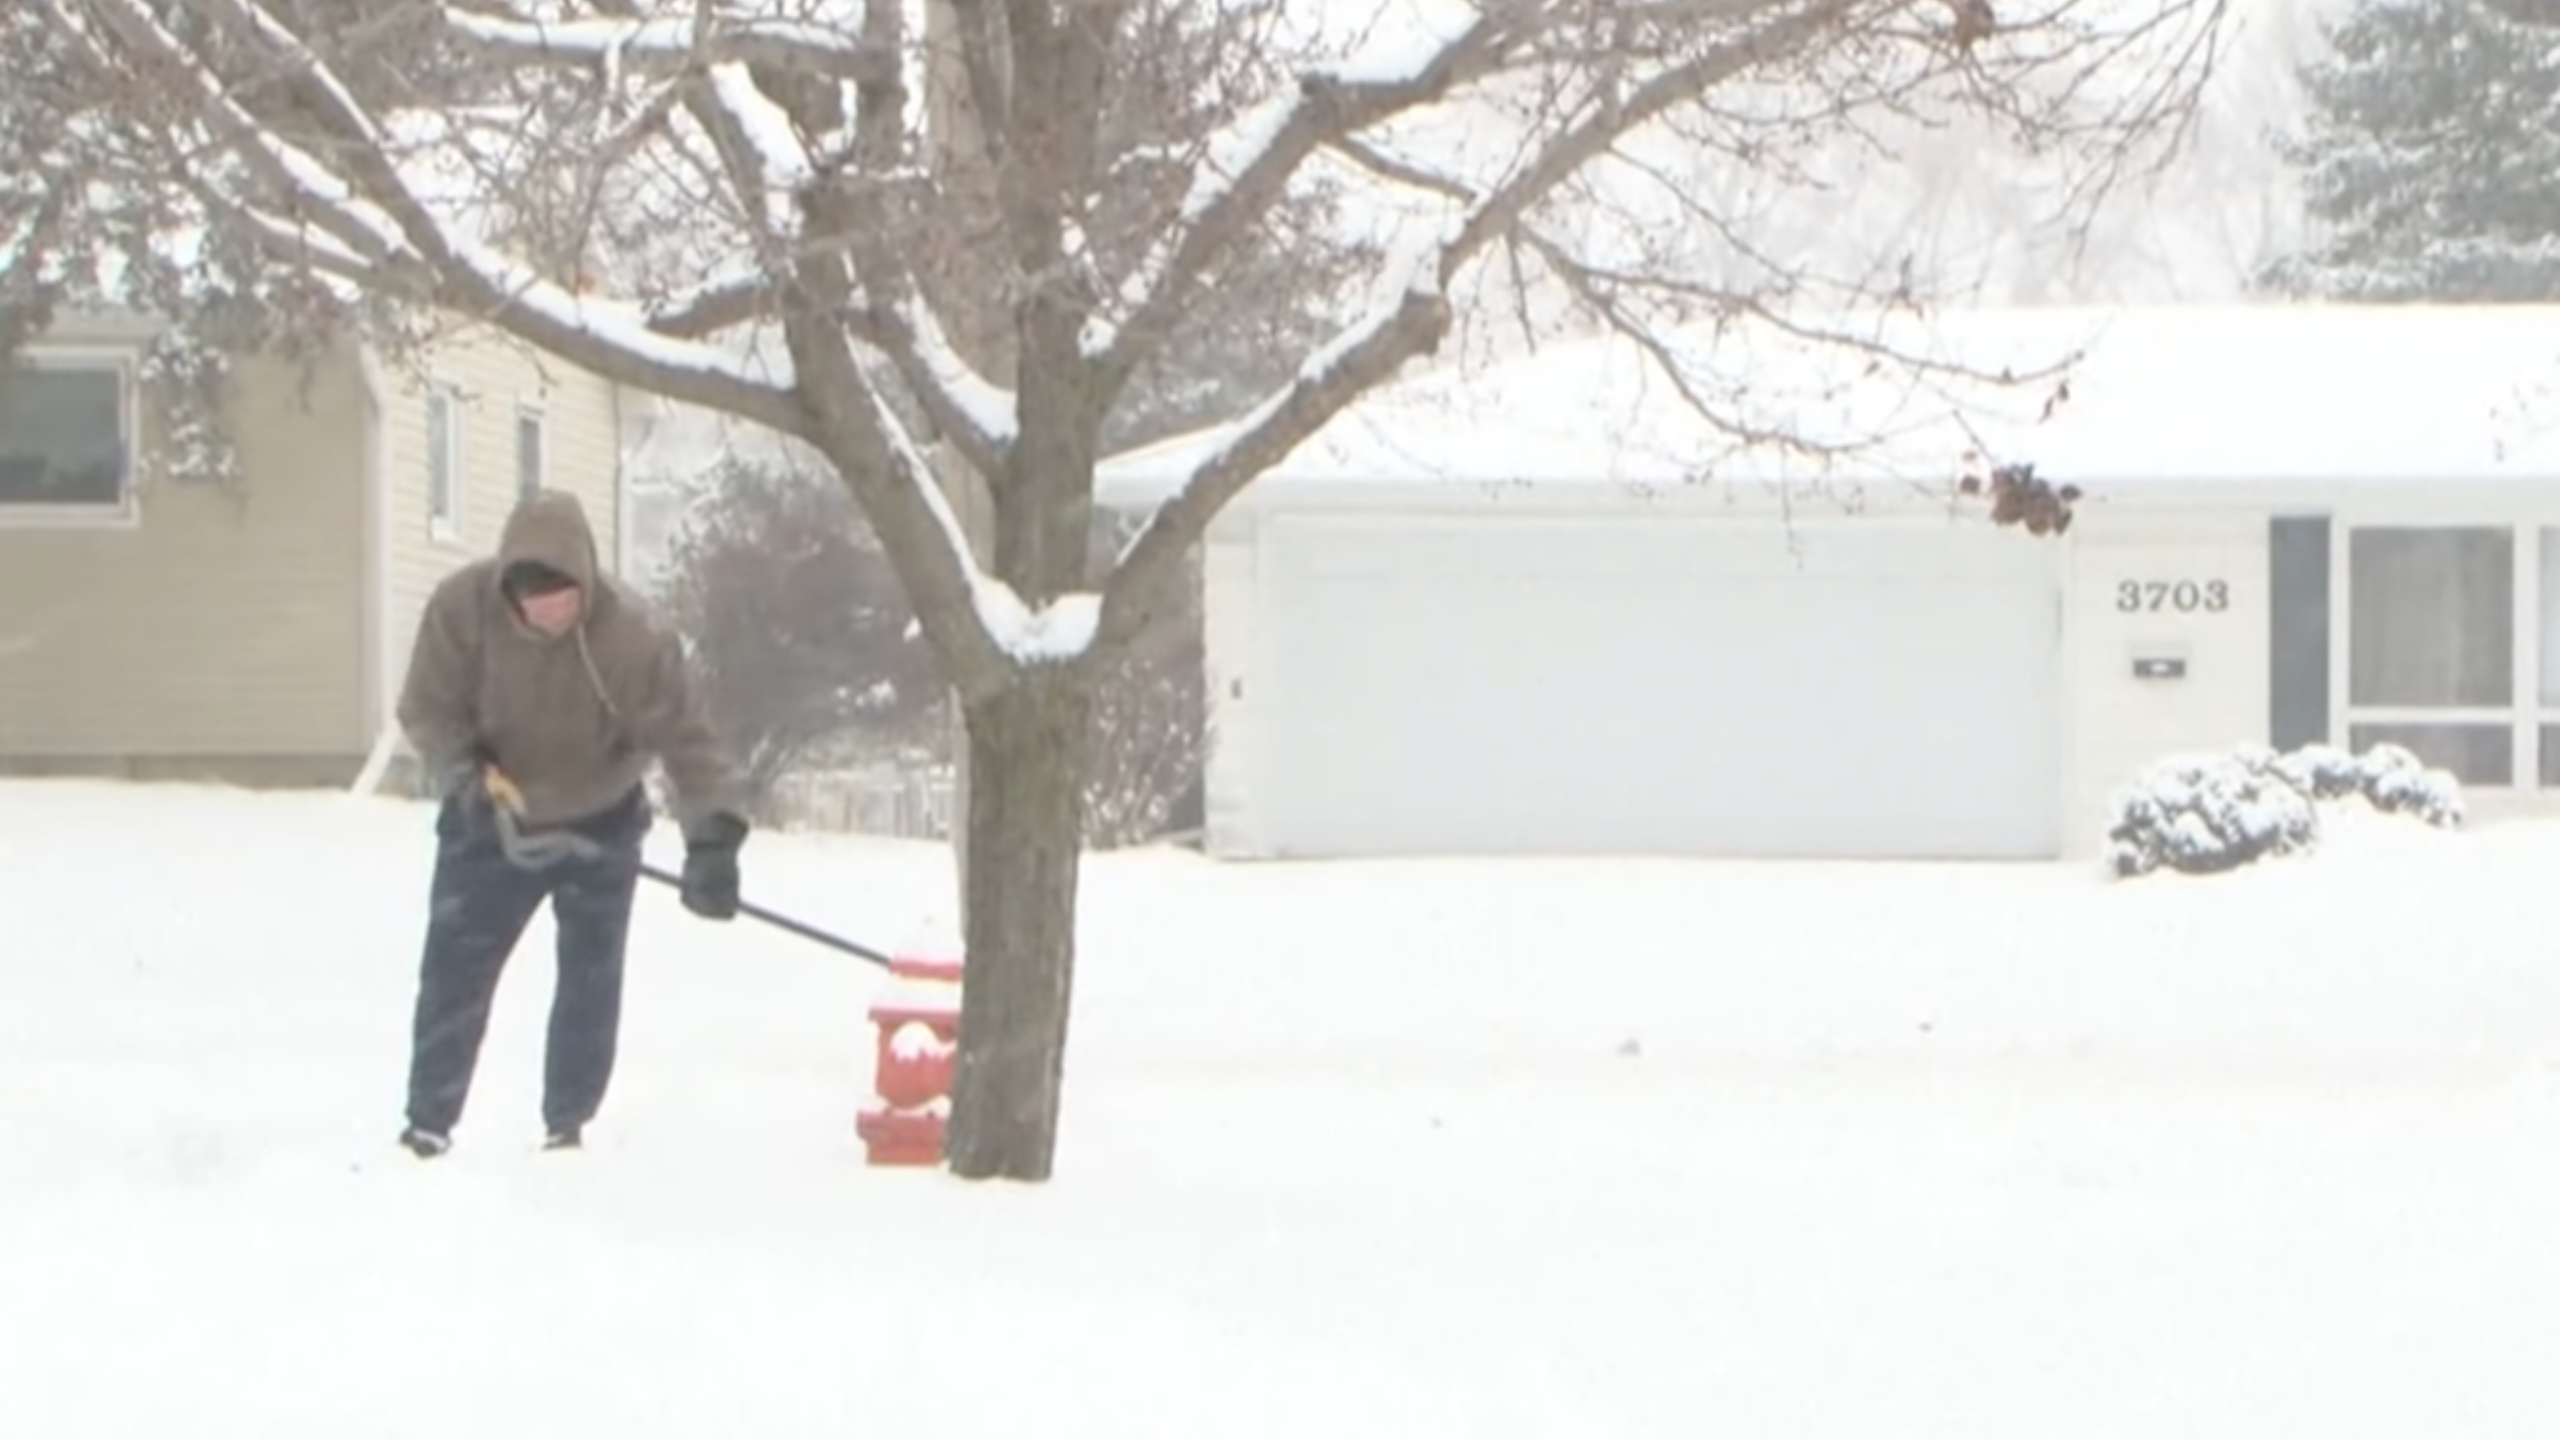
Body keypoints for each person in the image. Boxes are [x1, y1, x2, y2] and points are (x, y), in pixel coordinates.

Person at [391, 488, 748, 1159]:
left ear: (585, 581)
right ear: (508, 588)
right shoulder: (460, 612)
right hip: (492, 819)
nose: (550, 610)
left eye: (563, 595)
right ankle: (428, 1123)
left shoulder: (634, 639)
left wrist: (713, 839)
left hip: (600, 818)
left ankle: (567, 1123)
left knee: (590, 979)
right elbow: (427, 709)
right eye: (534, 597)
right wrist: (467, 777)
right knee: (454, 974)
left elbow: (690, 740)